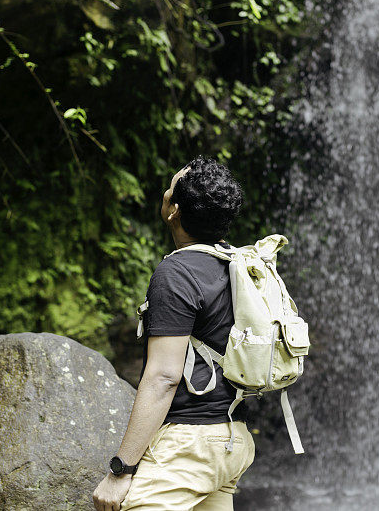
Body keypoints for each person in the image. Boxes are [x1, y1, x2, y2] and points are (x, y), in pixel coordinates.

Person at [92, 156, 255, 511]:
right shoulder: (239, 265)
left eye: (169, 190)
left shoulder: (176, 273)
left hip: (190, 446)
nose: (165, 194)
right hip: (233, 440)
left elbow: (164, 376)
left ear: (173, 210)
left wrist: (121, 471)